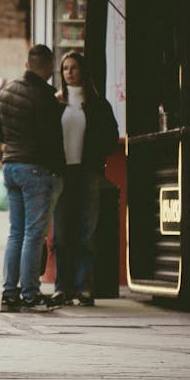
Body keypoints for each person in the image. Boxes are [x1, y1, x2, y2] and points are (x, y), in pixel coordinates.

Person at [0, 44, 64, 312]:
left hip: (12, 165)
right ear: (49, 66)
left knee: (16, 232)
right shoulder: (47, 96)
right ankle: (30, 292)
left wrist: (9, 139)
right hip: (36, 169)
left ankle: (10, 293)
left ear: (27, 65)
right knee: (34, 233)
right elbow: (52, 137)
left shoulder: (9, 90)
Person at [50, 51, 118, 307]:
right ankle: (61, 287)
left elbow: (111, 135)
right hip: (62, 173)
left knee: (86, 232)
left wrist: (95, 153)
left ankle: (83, 288)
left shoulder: (98, 104)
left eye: (74, 67)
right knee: (61, 233)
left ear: (83, 71)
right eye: (65, 68)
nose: (69, 72)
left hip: (88, 172)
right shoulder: (56, 103)